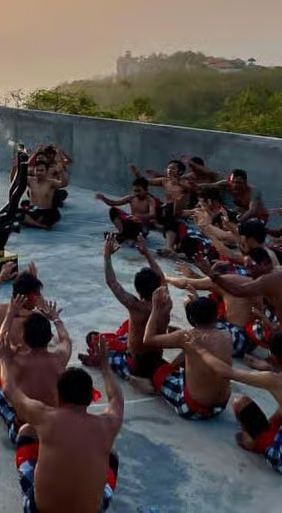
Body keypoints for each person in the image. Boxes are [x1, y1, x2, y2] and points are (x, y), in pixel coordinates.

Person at [0, 332, 123, 512]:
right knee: (111, 454)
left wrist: (4, 359)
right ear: (90, 398)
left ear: (59, 396)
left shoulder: (45, 417)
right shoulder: (107, 425)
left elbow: (9, 389)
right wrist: (105, 367)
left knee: (25, 431)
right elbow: (116, 400)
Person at [191, 331, 282, 478]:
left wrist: (198, 349)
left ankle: (254, 442)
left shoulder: (277, 380)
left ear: (274, 357)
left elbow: (226, 372)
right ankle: (267, 435)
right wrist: (279, 332)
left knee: (241, 403)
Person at [0, 262, 44, 441]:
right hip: (16, 378)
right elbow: (44, 307)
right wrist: (34, 281)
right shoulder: (37, 319)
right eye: (37, 294)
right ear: (31, 297)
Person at [82, 234, 168, 385]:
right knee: (124, 331)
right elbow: (161, 277)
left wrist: (107, 256)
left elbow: (111, 282)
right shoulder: (166, 302)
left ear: (138, 290)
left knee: (93, 338)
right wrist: (147, 253)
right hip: (156, 357)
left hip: (135, 363)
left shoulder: (136, 306)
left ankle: (101, 360)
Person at [136, 288, 232, 420]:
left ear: (192, 319)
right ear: (215, 316)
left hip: (192, 409)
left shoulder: (186, 336)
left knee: (147, 359)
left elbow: (148, 340)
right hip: (220, 406)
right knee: (190, 354)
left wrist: (155, 309)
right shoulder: (227, 335)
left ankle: (148, 385)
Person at [0, 294, 73, 431]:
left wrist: (10, 314)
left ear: (23, 338)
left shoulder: (16, 360)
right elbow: (65, 340)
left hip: (25, 427)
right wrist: (55, 318)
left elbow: (1, 342)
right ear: (50, 338)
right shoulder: (60, 358)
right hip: (52, 427)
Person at [96, 177, 157, 243]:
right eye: (134, 191)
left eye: (139, 191)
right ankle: (122, 232)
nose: (136, 193)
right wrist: (104, 199)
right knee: (113, 210)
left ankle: (127, 237)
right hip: (131, 222)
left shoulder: (150, 200)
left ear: (146, 190)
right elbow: (115, 203)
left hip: (142, 226)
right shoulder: (131, 198)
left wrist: (140, 217)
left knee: (133, 224)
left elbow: (152, 214)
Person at [22, 161, 63, 229]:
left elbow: (63, 184)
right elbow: (15, 180)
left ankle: (30, 222)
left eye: (41, 170)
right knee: (17, 213)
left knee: (55, 214)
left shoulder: (51, 182)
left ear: (46, 171)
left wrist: (61, 172)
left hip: (46, 211)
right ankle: (39, 225)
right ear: (34, 171)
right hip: (33, 210)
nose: (39, 173)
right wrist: (15, 168)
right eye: (37, 170)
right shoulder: (30, 180)